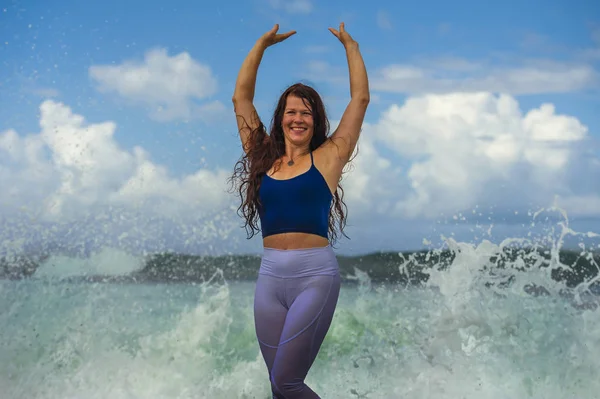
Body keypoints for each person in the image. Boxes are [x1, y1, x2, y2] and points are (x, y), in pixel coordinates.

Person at [230, 22, 369, 399]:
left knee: (287, 382)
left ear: (316, 120)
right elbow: (241, 100)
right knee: (278, 388)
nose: (298, 119)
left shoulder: (329, 158)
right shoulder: (262, 156)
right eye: (291, 112)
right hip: (270, 279)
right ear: (280, 118)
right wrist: (260, 45)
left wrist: (350, 46)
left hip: (315, 277)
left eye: (306, 113)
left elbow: (359, 101)